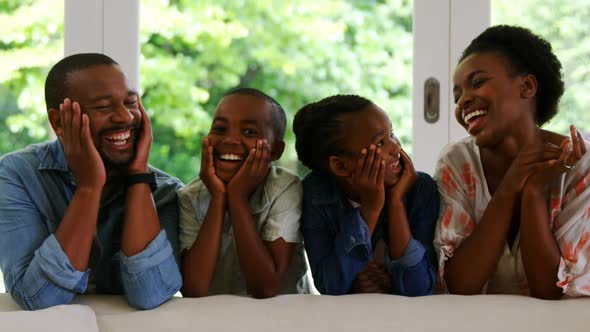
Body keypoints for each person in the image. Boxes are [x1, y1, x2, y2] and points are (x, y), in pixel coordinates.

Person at [0, 53, 183, 310]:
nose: (125, 117)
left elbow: (150, 293)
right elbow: (38, 298)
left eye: (130, 103)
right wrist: (89, 187)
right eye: (104, 107)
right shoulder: (17, 174)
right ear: (58, 122)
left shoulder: (165, 192)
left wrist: (139, 175)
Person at [435, 25, 590, 299]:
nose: (464, 101)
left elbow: (550, 292)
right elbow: (460, 285)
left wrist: (533, 193)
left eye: (478, 82)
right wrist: (510, 187)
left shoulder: (581, 166)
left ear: (527, 86)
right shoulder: (456, 162)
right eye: (457, 96)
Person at [293, 94, 438, 296]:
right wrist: (370, 209)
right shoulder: (317, 195)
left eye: (392, 134)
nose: (396, 147)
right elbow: (331, 286)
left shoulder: (419, 189)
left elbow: (419, 288)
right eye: (380, 143)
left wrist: (396, 204)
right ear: (340, 165)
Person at [178, 88, 312, 298]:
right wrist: (219, 198)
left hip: (284, 320)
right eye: (220, 129)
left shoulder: (284, 188)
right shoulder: (190, 196)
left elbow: (265, 288)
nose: (230, 140)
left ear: (276, 151)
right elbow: (194, 289)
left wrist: (237, 198)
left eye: (249, 132)